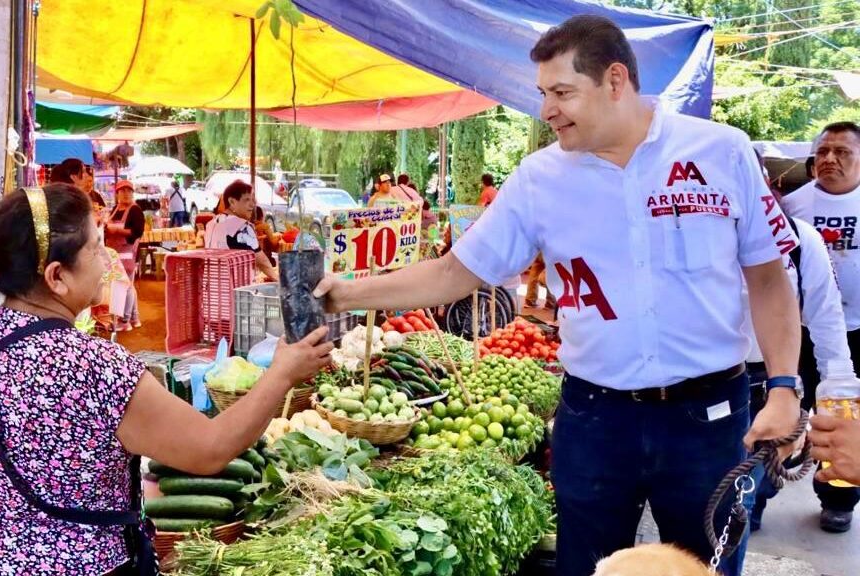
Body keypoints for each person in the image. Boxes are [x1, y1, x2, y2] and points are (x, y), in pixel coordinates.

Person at [314, 15, 802, 576]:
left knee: (702, 566)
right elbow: (453, 273)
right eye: (543, 93)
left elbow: (769, 279)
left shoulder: (721, 152)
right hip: (596, 419)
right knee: (585, 566)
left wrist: (784, 388)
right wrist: (344, 295)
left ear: (615, 80)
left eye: (562, 93)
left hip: (708, 418)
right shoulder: (538, 179)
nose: (547, 110)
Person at [0, 183, 333, 575]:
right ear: (57, 276)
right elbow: (210, 449)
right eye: (96, 248)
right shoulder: (96, 367)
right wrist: (282, 373)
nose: (107, 258)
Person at [740, 151, 854, 534]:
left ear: (766, 184)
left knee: (757, 484)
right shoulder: (688, 240)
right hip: (706, 387)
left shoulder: (801, 240)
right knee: (723, 500)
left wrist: (839, 391)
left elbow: (827, 320)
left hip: (774, 378)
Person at [779, 121, 860, 532]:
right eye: (823, 151)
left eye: (842, 151)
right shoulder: (793, 206)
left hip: (858, 329)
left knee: (845, 416)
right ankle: (759, 490)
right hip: (803, 330)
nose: (829, 159)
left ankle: (838, 498)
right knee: (792, 409)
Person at [205, 181, 279, 282]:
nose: (252, 205)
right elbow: (262, 261)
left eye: (252, 200)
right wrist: (278, 280)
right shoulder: (242, 226)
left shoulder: (211, 224)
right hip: (234, 286)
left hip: (212, 285)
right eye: (246, 200)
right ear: (232, 202)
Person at [104, 180, 145, 331]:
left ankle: (124, 321)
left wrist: (117, 231)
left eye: (129, 191)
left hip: (127, 254)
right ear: (117, 194)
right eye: (122, 191)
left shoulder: (135, 210)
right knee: (127, 285)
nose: (126, 194)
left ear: (132, 193)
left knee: (125, 286)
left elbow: (137, 231)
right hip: (114, 253)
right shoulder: (115, 209)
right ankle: (134, 317)